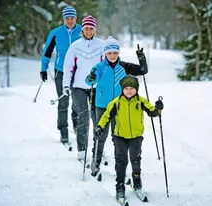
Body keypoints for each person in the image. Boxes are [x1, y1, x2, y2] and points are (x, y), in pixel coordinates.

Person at [85, 36, 148, 175]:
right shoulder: (99, 67)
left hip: (120, 107)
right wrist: (91, 77)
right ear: (105, 54)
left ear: (118, 53)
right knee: (100, 135)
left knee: (118, 138)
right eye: (109, 53)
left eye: (115, 53)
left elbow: (143, 70)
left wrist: (141, 58)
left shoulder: (124, 66)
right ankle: (96, 160)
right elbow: (89, 82)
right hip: (102, 106)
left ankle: (119, 167)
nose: (112, 56)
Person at [94, 76, 164, 200]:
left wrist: (158, 109)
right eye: (126, 88)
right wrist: (100, 126)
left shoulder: (141, 101)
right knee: (121, 161)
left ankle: (137, 183)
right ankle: (120, 186)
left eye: (132, 88)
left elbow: (152, 112)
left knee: (135, 160)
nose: (129, 91)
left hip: (136, 137)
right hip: (119, 137)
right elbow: (106, 116)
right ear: (122, 89)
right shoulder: (116, 103)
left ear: (136, 89)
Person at [62, 15, 105, 160]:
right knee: (83, 116)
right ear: (82, 29)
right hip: (78, 87)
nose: (88, 30)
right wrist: (66, 85)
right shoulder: (75, 46)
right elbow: (68, 68)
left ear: (95, 30)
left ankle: (98, 147)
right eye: (86, 28)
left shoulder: (101, 45)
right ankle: (81, 149)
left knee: (97, 117)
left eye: (91, 28)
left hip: (95, 87)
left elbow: (106, 67)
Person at [40, 6, 81, 143]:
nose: (69, 21)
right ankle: (63, 129)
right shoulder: (56, 33)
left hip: (78, 71)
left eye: (72, 18)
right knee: (63, 101)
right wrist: (43, 69)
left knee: (77, 100)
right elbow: (47, 52)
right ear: (63, 19)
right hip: (61, 71)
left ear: (76, 18)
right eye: (67, 18)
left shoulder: (83, 31)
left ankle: (76, 123)